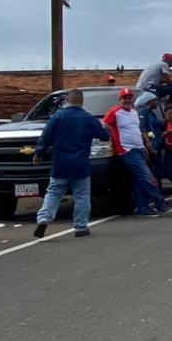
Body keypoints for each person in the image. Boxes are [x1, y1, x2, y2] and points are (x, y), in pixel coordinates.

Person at [31, 89, 112, 238]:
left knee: (53, 193)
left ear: (68, 100)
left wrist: (39, 152)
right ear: (81, 101)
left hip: (60, 163)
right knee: (82, 195)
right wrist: (106, 129)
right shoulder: (88, 118)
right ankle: (81, 227)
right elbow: (103, 136)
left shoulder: (57, 116)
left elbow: (46, 136)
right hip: (80, 163)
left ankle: (44, 218)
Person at [103, 88, 172, 218]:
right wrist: (111, 139)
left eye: (129, 98)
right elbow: (103, 126)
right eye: (125, 98)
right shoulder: (114, 112)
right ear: (120, 99)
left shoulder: (134, 113)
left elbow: (138, 130)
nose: (127, 100)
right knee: (148, 177)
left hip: (139, 148)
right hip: (126, 150)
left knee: (139, 180)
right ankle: (160, 203)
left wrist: (143, 146)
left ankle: (142, 207)